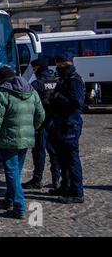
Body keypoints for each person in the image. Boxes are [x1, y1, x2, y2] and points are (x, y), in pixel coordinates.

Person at [0, 66, 45, 220]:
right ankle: (9, 200)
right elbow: (41, 114)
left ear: (1, 80)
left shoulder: (2, 93)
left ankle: (19, 206)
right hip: (26, 139)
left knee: (12, 172)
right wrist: (32, 128)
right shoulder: (31, 90)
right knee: (15, 172)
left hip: (8, 140)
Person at [49, 52, 86, 204]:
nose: (57, 67)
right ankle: (66, 187)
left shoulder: (73, 79)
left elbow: (77, 102)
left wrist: (58, 98)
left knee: (71, 160)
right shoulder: (65, 78)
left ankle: (77, 192)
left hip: (70, 124)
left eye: (59, 64)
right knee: (62, 158)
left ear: (67, 64)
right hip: (62, 124)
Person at [22, 56, 61, 190]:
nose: (33, 71)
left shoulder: (37, 84)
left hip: (41, 123)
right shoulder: (58, 80)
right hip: (56, 122)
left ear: (38, 68)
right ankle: (56, 180)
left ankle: (37, 179)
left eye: (34, 68)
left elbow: (29, 104)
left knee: (39, 151)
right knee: (54, 152)